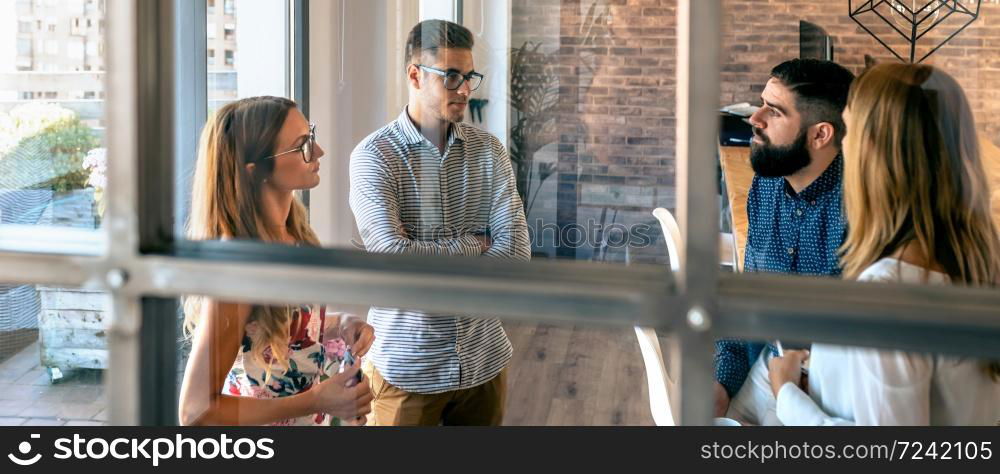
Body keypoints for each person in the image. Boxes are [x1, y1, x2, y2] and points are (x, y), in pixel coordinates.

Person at [767, 63, 1000, 425]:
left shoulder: (887, 297)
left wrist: (786, 395)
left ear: (871, 154)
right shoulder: (980, 261)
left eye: (850, 133)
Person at [349, 20, 530, 425]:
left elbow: (516, 252)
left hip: (483, 359)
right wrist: (475, 243)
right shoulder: (375, 157)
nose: (465, 89)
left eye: (469, 77)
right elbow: (395, 259)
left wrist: (427, 253)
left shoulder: (488, 150)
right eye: (450, 76)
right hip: (407, 368)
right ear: (415, 75)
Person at [178, 96, 375, 426]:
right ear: (255, 169)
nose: (320, 152)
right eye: (303, 145)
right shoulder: (240, 265)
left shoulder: (293, 235)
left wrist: (341, 323)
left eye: (311, 135)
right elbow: (195, 411)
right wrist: (313, 399)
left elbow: (275, 328)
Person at [714, 59, 855, 422]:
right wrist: (721, 381)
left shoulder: (860, 212)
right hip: (770, 363)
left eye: (773, 112)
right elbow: (749, 298)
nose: (754, 119)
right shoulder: (767, 184)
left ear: (820, 135)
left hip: (833, 397)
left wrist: (790, 393)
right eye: (761, 103)